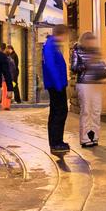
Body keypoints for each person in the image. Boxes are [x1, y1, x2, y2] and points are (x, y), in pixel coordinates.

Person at [73, 30, 106, 148]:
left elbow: (101, 67)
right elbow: (74, 67)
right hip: (84, 84)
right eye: (89, 41)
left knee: (96, 111)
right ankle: (85, 138)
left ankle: (94, 136)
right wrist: (87, 64)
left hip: (95, 84)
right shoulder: (77, 51)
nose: (91, 43)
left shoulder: (96, 52)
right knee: (86, 111)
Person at [41, 24, 70, 154]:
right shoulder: (50, 46)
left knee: (57, 112)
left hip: (56, 84)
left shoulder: (51, 45)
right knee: (60, 112)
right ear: (61, 34)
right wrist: (59, 84)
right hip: (56, 85)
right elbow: (51, 66)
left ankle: (57, 141)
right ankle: (56, 142)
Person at [1, 42, 20, 110]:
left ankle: (4, 105)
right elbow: (14, 70)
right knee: (9, 92)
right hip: (9, 78)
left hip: (4, 79)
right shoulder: (11, 60)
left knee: (4, 93)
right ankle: (7, 106)